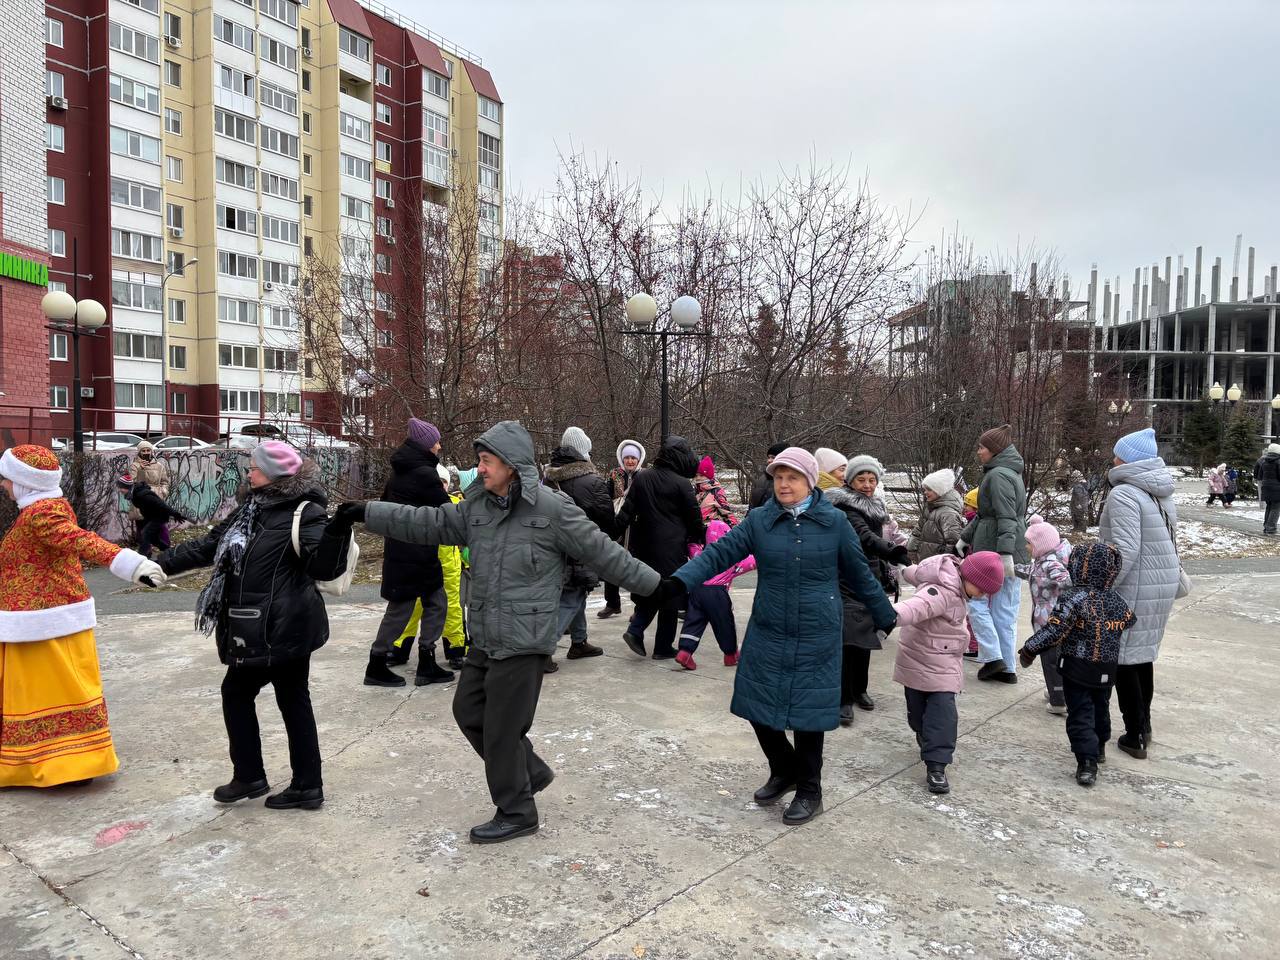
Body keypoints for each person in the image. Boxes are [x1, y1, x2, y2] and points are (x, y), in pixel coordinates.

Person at [334, 421, 660, 844]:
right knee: (467, 712)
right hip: (485, 634)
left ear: (510, 464)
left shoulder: (551, 509)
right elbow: (426, 522)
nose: (480, 469)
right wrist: (366, 511)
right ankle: (531, 772)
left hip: (526, 638)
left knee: (503, 730)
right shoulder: (477, 508)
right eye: (480, 461)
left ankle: (517, 809)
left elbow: (606, 552)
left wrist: (659, 588)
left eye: (486, 462)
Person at [664, 447, 896, 826]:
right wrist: (679, 580)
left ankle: (810, 789)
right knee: (755, 704)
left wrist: (886, 615)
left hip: (818, 630)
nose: (784, 484)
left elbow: (859, 572)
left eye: (792, 477)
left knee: (808, 714)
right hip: (769, 627)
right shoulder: (760, 520)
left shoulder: (834, 522)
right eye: (778, 477)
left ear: (809, 480)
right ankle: (784, 769)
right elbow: (718, 553)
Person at [156, 441, 351, 809]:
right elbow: (209, 546)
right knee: (267, 697)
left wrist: (337, 529)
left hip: (286, 625)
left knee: (266, 696)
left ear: (275, 473)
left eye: (255, 467)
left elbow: (323, 567)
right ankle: (282, 781)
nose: (249, 472)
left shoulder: (305, 512)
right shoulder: (252, 508)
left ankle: (272, 779)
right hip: (254, 625)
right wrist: (158, 565)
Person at [0, 445, 165, 788]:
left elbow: (80, 541)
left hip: (44, 626)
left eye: (7, 478)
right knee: (50, 692)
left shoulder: (41, 514)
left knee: (48, 692)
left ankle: (67, 767)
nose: (3, 484)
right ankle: (62, 763)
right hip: (40, 621)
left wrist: (133, 565)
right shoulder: (43, 508)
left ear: (25, 482)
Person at [1019, 542, 1135, 786]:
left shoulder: (1073, 598)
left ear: (1077, 567)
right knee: (1100, 707)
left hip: (1076, 668)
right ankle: (1099, 746)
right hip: (1106, 668)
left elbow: (1055, 630)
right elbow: (1129, 620)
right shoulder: (1117, 600)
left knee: (1081, 713)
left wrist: (1031, 648)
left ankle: (1087, 761)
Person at [892, 550, 1005, 795]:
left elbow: (915, 574)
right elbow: (918, 605)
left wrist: (903, 569)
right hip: (919, 657)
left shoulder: (952, 582)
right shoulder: (943, 591)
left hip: (943, 663)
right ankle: (925, 735)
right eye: (982, 589)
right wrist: (890, 615)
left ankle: (936, 766)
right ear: (969, 577)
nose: (983, 595)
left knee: (943, 714)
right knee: (918, 715)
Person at [1097, 427, 1179, 760]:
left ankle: (1134, 735)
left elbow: (1125, 550)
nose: (1113, 458)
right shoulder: (1159, 491)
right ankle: (1143, 727)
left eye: (1117, 453)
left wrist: (1099, 587)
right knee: (1143, 656)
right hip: (1159, 584)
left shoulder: (1125, 494)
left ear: (1127, 459)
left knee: (1125, 660)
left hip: (1134, 586)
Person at [365, 419, 454, 688]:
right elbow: (447, 510)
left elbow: (384, 508)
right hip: (417, 553)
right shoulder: (425, 475)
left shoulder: (399, 472)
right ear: (426, 445)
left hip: (402, 551)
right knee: (413, 608)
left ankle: (410, 662)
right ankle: (382, 664)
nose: (439, 446)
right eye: (436, 441)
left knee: (422, 605)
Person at [826, 454, 908, 725]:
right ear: (850, 480)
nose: (867, 484)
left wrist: (885, 561)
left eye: (872, 479)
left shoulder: (874, 504)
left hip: (869, 576)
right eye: (861, 478)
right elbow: (864, 536)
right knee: (848, 639)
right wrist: (892, 551)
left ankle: (860, 689)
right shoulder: (845, 505)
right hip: (846, 576)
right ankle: (843, 698)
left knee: (865, 637)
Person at [616, 435, 705, 660]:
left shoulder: (643, 478)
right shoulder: (682, 484)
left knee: (651, 589)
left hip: (643, 546)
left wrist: (610, 534)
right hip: (671, 548)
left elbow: (626, 512)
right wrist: (702, 538)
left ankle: (636, 631)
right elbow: (694, 519)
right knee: (670, 597)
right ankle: (662, 647)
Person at [959, 424, 1028, 683]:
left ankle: (994, 658)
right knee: (1004, 610)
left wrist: (1005, 554)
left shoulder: (998, 475)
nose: (979, 452)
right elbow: (986, 515)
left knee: (976, 603)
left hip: (995, 554)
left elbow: (1006, 517)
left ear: (995, 450)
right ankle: (1006, 667)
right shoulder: (1008, 472)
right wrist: (964, 538)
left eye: (982, 447)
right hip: (1004, 550)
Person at [544, 425, 615, 666]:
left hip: (552, 547)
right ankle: (543, 652)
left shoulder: (547, 478)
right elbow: (607, 518)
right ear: (584, 451)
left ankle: (579, 641)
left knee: (575, 593)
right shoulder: (592, 480)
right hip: (581, 548)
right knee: (572, 596)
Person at [675, 518, 755, 670]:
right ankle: (730, 655)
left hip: (697, 591)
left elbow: (691, 547)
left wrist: (691, 541)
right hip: (717, 593)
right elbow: (751, 561)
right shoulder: (732, 560)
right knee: (724, 624)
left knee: (693, 621)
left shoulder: (700, 554)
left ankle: (685, 652)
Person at [1019, 515, 1072, 715]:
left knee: (1051, 662)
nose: (1026, 547)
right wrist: (1013, 570)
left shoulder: (1052, 564)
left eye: (1029, 544)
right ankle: (1058, 692)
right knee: (1055, 661)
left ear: (1041, 545)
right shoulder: (1043, 561)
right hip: (1048, 622)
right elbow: (1033, 572)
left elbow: (1067, 581)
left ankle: (1059, 700)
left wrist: (1065, 589)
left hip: (1051, 623)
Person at [599, 440, 646, 619]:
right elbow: (605, 497)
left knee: (636, 567)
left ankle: (639, 607)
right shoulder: (614, 475)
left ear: (639, 458)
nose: (630, 461)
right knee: (612, 563)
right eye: (626, 457)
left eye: (633, 457)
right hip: (617, 524)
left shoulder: (645, 475)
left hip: (637, 527)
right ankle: (612, 603)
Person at [116, 474, 192, 558]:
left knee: (145, 533)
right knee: (153, 538)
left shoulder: (143, 495)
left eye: (121, 487)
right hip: (151, 517)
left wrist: (175, 514)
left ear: (127, 487)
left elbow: (161, 505)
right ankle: (169, 551)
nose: (120, 490)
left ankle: (141, 558)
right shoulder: (134, 494)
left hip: (159, 516)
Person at [438, 464, 468, 670]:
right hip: (425, 562)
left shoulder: (457, 504)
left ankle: (456, 649)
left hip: (450, 563)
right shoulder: (423, 504)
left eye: (442, 483)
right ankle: (400, 647)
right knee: (414, 606)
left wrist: (466, 559)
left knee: (452, 607)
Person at [908, 468, 965, 562]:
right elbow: (917, 531)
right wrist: (911, 552)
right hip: (924, 561)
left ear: (940, 490)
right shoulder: (930, 508)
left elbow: (953, 542)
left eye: (929, 489)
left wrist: (943, 562)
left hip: (936, 566)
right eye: (925, 489)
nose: (925, 492)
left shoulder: (948, 514)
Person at [694, 455, 738, 526]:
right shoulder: (696, 491)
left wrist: (734, 530)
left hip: (712, 530)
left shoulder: (716, 491)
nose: (698, 478)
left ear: (709, 476)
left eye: (701, 475)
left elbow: (726, 512)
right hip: (697, 529)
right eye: (696, 475)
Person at [748, 441, 790, 510]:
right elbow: (752, 507)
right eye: (768, 457)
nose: (769, 460)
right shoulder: (762, 479)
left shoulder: (791, 482)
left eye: (773, 457)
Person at [1254, 442, 1280, 535]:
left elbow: (1259, 475)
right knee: (1276, 508)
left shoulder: (1264, 461)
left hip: (1265, 487)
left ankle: (1266, 527)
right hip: (1277, 488)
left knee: (1269, 507)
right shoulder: (1278, 461)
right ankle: (1271, 528)